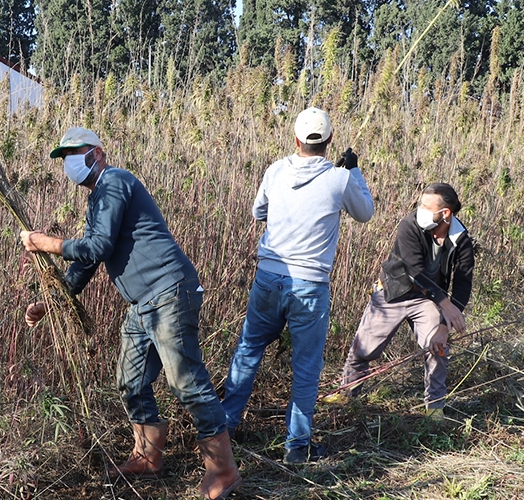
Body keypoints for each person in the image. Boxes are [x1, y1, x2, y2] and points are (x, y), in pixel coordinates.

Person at [20, 127, 241, 499]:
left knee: (186, 382)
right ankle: (147, 456)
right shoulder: (98, 200)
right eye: (64, 157)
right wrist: (51, 303)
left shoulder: (115, 182)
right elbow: (87, 262)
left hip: (169, 293)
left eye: (75, 152)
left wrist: (46, 243)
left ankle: (223, 470)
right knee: (131, 379)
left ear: (97, 153)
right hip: (142, 304)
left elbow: (98, 247)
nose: (69, 162)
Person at [221, 107, 374, 464]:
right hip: (310, 284)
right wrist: (353, 170)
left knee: (248, 351)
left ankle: (224, 430)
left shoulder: (276, 170)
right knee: (306, 367)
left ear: (296, 139)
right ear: (330, 140)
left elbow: (258, 212)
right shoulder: (340, 178)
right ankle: (296, 446)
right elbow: (365, 212)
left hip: (268, 278)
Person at [336, 183, 474, 419]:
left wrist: (444, 326)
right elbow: (414, 272)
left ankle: (435, 408)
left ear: (445, 213)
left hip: (427, 299)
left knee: (438, 347)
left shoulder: (461, 240)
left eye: (427, 206)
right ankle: (347, 394)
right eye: (421, 204)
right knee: (364, 348)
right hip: (393, 291)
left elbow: (463, 282)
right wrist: (446, 304)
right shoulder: (409, 225)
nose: (420, 210)